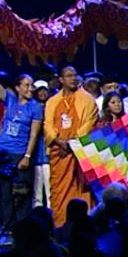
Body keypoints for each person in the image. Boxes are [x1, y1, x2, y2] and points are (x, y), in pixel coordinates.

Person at [0, 50, 43, 229]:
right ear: (17, 88)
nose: (29, 88)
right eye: (25, 85)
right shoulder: (10, 99)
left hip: (20, 153)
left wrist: (27, 156)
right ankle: (7, 225)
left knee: (22, 191)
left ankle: (22, 225)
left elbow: (33, 134)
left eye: (31, 85)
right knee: (4, 191)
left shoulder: (36, 107)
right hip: (3, 151)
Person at [43, 66, 98, 227]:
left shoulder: (87, 99)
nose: (73, 78)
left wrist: (71, 143)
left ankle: (85, 224)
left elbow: (89, 123)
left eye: (75, 75)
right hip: (59, 152)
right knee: (59, 191)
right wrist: (59, 141)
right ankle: (60, 224)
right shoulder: (52, 101)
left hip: (80, 152)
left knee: (83, 190)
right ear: (61, 79)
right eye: (68, 76)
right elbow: (47, 125)